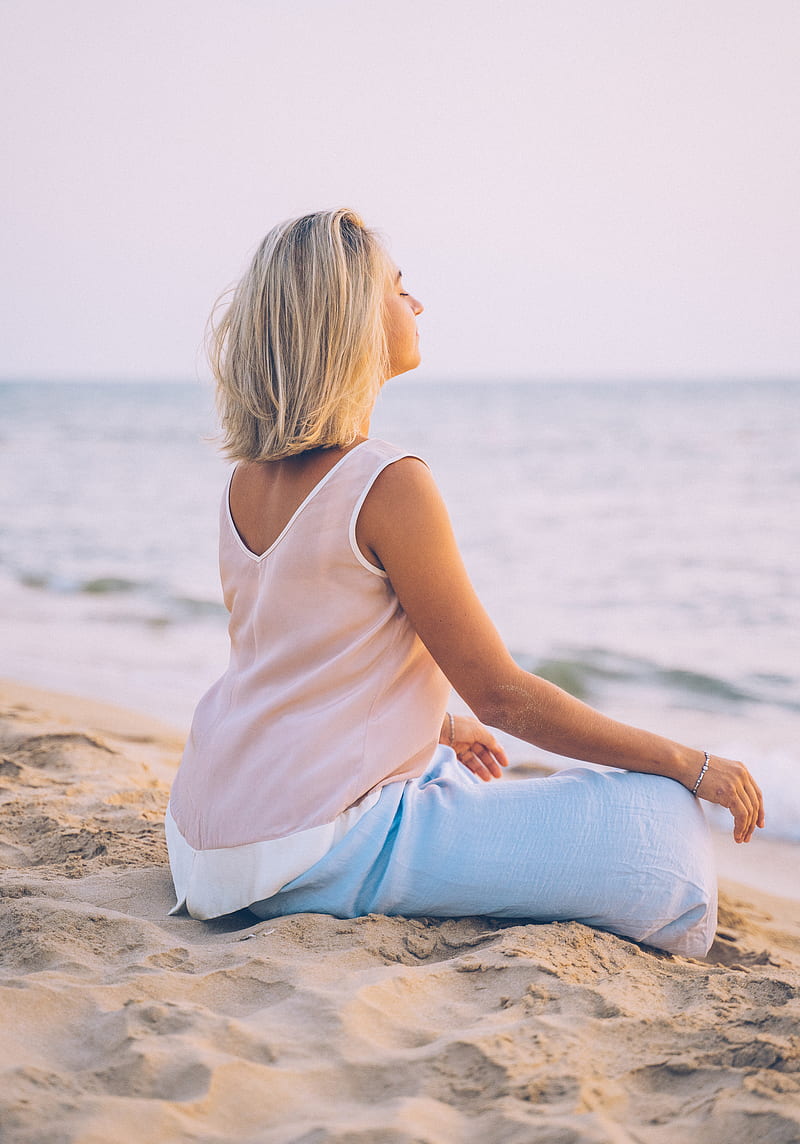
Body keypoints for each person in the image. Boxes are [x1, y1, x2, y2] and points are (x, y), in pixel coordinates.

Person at [166, 208, 764, 957]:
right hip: (306, 849)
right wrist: (692, 763)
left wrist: (436, 724)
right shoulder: (389, 482)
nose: (416, 303)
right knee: (666, 822)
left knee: (449, 762)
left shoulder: (243, 481)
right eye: (397, 287)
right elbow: (502, 694)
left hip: (201, 838)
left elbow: (292, 658)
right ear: (348, 317)